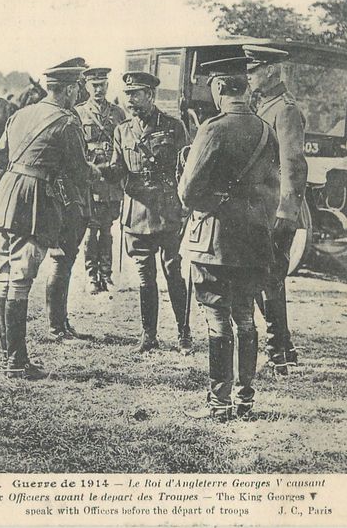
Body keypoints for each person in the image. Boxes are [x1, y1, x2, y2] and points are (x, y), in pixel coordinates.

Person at [0, 58, 99, 380]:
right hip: (33, 203)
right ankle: (16, 363)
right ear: (70, 89)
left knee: (6, 275)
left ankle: (10, 357)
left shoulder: (21, 114)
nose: (80, 93)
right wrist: (97, 172)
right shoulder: (66, 121)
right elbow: (78, 171)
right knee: (20, 278)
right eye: (79, 88)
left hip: (4, 198)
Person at [178, 56, 280, 420]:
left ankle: (219, 403)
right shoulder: (267, 130)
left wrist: (214, 202)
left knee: (218, 320)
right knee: (246, 318)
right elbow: (274, 191)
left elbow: (187, 194)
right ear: (245, 87)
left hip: (215, 240)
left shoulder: (213, 128)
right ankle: (245, 400)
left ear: (220, 88)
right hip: (253, 240)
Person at [98, 71, 193, 354]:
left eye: (136, 95)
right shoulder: (122, 131)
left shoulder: (173, 127)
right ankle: (148, 335)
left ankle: (183, 334)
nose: (130, 101)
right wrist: (97, 171)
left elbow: (186, 169)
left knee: (173, 272)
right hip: (137, 212)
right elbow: (118, 170)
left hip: (167, 209)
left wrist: (186, 203)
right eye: (127, 95)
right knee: (144, 277)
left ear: (150, 96)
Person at [243, 45, 308, 375]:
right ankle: (283, 346)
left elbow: (293, 165)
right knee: (266, 277)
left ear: (270, 71)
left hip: (274, 210)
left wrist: (286, 212)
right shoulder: (263, 104)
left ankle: (276, 351)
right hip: (259, 206)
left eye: (253, 70)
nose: (249, 76)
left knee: (268, 278)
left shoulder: (285, 110)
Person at [76, 68, 125, 294]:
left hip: (111, 179)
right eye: (94, 85)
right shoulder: (79, 113)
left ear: (107, 85)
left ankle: (106, 274)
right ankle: (90, 276)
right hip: (91, 178)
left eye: (102, 85)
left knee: (107, 229)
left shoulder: (118, 113)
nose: (98, 89)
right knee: (90, 229)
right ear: (86, 86)